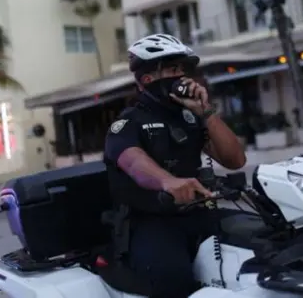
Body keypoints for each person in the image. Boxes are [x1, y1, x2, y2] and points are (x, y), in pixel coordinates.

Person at [104, 34, 246, 298]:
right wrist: (167, 181)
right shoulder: (127, 124)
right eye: (172, 69)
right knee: (172, 279)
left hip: (198, 213)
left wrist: (206, 111)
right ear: (148, 79)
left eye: (182, 69)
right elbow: (133, 161)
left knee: (259, 243)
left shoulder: (189, 117)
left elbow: (234, 159)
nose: (181, 76)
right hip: (152, 221)